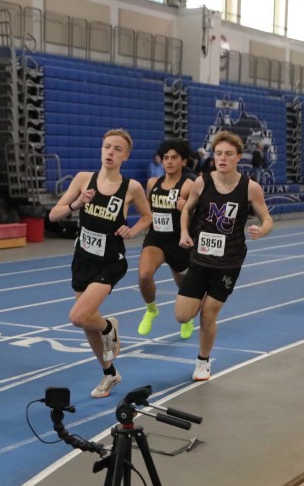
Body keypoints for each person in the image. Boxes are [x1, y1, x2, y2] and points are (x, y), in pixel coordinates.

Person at [48, 129, 152, 398]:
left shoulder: (131, 187)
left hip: (110, 262)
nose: (110, 152)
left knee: (78, 316)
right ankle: (110, 374)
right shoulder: (84, 179)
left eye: (118, 149)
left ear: (126, 156)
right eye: (107, 146)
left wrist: (132, 230)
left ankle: (108, 327)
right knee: (86, 323)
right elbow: (53, 215)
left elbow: (147, 217)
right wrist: (76, 203)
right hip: (83, 259)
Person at [175, 130, 273, 381]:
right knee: (182, 315)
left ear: (239, 157)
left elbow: (267, 219)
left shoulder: (250, 188)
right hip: (200, 258)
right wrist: (184, 232)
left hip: (229, 262)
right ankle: (194, 305)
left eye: (228, 154)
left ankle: (203, 361)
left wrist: (262, 230)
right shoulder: (202, 182)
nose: (222, 158)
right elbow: (186, 209)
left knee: (208, 314)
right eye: (218, 153)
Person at [137, 139, 195, 340]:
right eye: (166, 158)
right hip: (156, 239)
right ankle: (151, 310)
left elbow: (200, 216)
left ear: (183, 161)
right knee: (144, 274)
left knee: (184, 286)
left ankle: (187, 318)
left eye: (174, 158)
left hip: (179, 242)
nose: (169, 161)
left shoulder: (188, 186)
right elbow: (147, 210)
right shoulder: (152, 183)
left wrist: (186, 209)